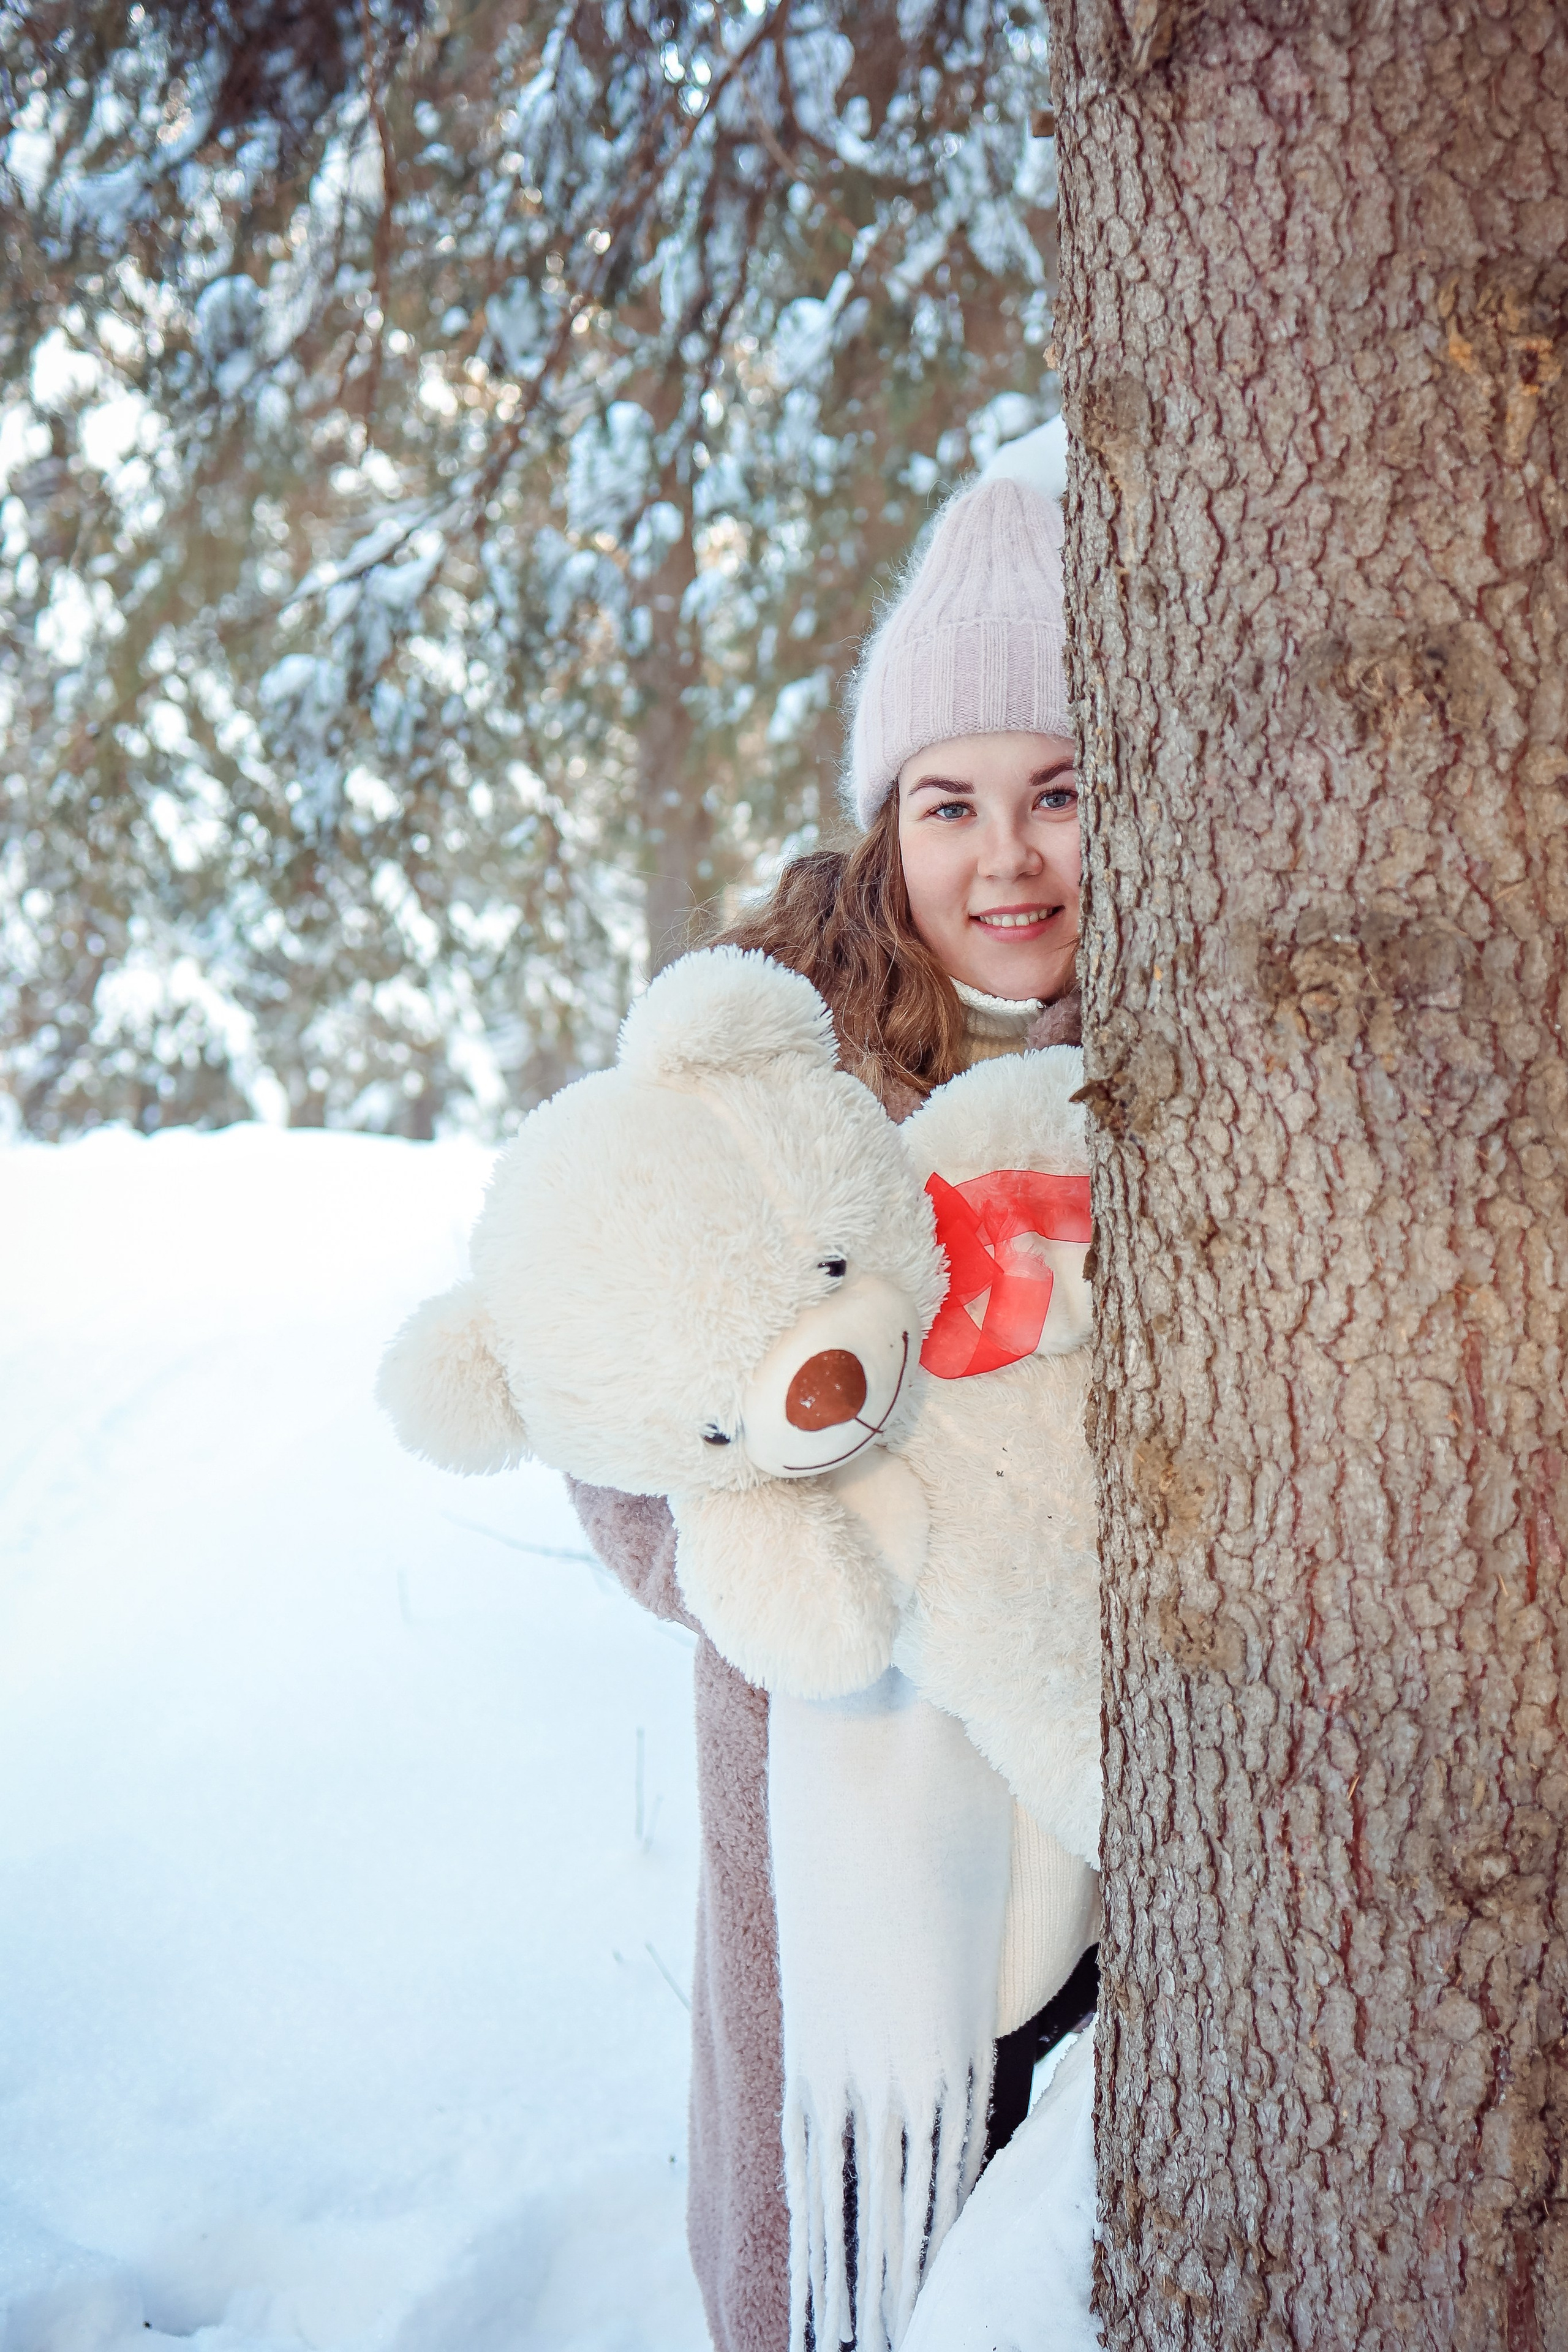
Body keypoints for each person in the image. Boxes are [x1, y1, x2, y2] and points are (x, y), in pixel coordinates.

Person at [569, 450, 1096, 2352]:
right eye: (950, 804)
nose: (1006, 858)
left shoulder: (1184, 1065)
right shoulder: (770, 1073)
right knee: (866, 2251)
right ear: (888, 826)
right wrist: (781, 1530)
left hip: (1107, 1811)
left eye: (1060, 792)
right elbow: (611, 1414)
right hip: (845, 1806)